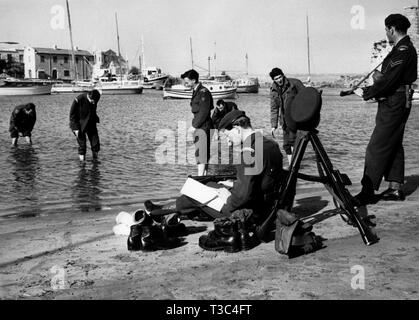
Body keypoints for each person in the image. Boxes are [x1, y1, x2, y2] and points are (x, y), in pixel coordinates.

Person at [355, 13, 417, 205]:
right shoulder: (402, 48)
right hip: (397, 100)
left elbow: (389, 80)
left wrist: (366, 93)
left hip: (394, 101)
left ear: (391, 29)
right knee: (394, 143)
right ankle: (396, 188)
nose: (386, 33)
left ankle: (367, 192)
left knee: (376, 146)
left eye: (386, 30)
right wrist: (369, 89)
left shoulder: (403, 50)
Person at [181, 69, 214, 176]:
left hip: (203, 126)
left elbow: (204, 111)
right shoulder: (197, 91)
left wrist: (194, 126)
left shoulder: (203, 92)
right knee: (202, 152)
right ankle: (204, 175)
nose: (185, 84)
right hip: (201, 125)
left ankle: (201, 178)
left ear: (194, 80)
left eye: (187, 82)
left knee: (201, 152)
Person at [269, 67, 305, 166]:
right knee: (286, 145)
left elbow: (305, 98)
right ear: (273, 80)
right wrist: (273, 125)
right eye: (276, 79)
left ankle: (295, 166)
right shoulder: (273, 90)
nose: (279, 80)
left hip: (296, 118)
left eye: (280, 77)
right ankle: (291, 166)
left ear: (283, 75)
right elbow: (274, 108)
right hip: (284, 120)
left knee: (293, 141)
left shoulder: (295, 84)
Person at [69, 89, 101, 161]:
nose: (94, 102)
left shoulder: (95, 98)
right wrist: (75, 128)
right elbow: (72, 116)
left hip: (91, 123)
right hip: (79, 125)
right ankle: (82, 164)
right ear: (89, 96)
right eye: (92, 100)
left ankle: (95, 162)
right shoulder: (78, 100)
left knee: (95, 144)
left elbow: (93, 110)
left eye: (95, 101)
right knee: (82, 145)